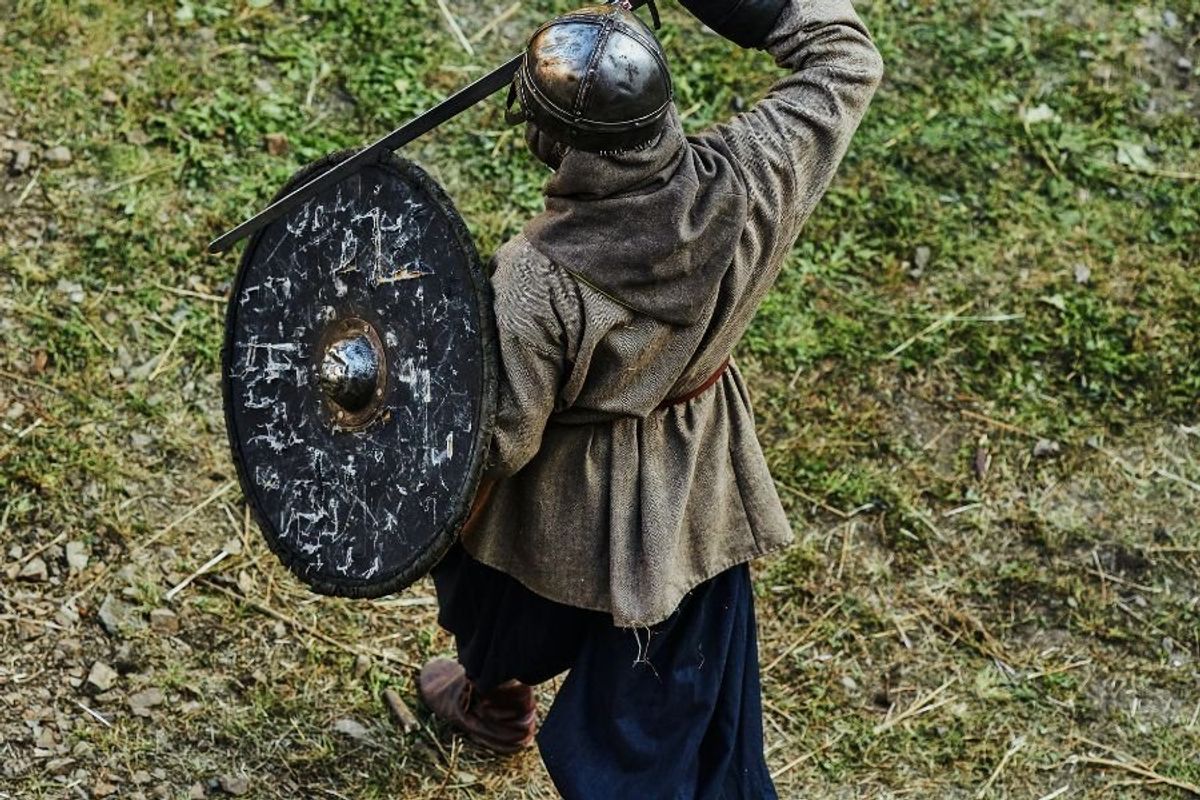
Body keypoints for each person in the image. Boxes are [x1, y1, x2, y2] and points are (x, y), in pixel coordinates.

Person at [419, 0, 883, 796]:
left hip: (561, 498)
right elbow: (846, 56)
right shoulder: (758, 172)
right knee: (650, 672)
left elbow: (503, 442)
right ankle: (491, 698)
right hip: (693, 484)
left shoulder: (534, 280)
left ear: (552, 139)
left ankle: (496, 687)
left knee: (628, 730)